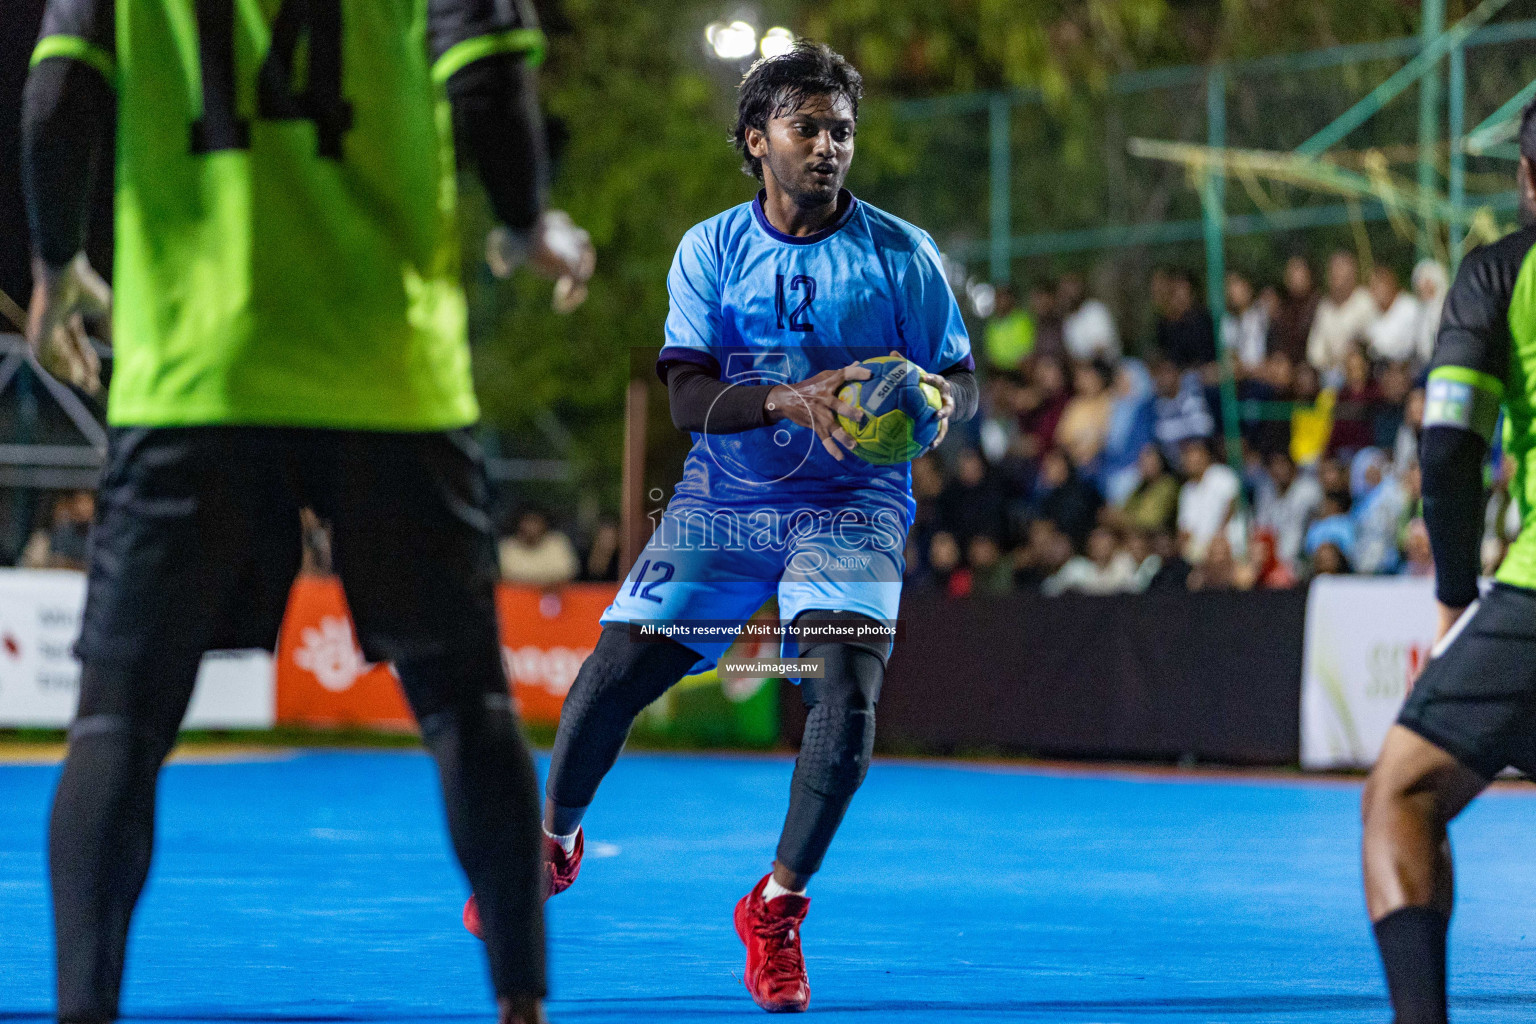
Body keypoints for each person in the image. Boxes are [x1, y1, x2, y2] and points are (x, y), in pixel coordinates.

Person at [21, 0, 597, 1019]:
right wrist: (524, 222)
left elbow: (58, 96)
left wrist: (57, 265)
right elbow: (490, 83)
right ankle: (522, 1003)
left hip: (193, 375)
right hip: (389, 372)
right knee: (467, 705)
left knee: (118, 719)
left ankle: (83, 1009)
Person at [500, 42, 976, 1015]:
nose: (829, 145)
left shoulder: (903, 254)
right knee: (612, 675)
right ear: (758, 139)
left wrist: (934, 397)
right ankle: (551, 843)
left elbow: (959, 378)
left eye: (841, 129)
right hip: (731, 499)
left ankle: (777, 906)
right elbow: (685, 396)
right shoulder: (711, 248)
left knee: (846, 701)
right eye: (808, 127)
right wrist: (786, 403)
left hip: (854, 506)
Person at [1360, 104, 1536, 1024]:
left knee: (1402, 793)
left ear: (1528, 175)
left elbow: (1448, 446)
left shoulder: (1502, 272)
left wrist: (1456, 596)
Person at [1307, 251, 1377, 376]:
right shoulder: (1324, 307)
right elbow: (1315, 352)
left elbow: (1373, 343)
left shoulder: (1365, 300)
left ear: (1352, 274)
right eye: (1333, 271)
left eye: (1341, 270)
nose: (1336, 275)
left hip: (1363, 373)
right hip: (1331, 373)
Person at [1253, 450, 1322, 571]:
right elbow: (1262, 529)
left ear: (1293, 466)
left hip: (1303, 560)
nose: (1279, 470)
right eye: (1274, 465)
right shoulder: (1265, 492)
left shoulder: (1308, 490)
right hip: (1275, 563)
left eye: (1282, 464)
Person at [1176, 437, 1239, 563]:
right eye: (1186, 457)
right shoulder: (1187, 489)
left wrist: (1216, 538)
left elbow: (1233, 505)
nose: (1190, 461)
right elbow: (1185, 528)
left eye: (1193, 456)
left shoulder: (1222, 475)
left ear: (1205, 456)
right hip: (1200, 551)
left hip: (1227, 544)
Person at [498, 509, 579, 586]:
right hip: (515, 596)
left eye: (535, 522)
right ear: (519, 524)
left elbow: (568, 572)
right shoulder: (507, 546)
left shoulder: (557, 542)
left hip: (552, 596)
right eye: (528, 522)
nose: (531, 527)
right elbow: (503, 576)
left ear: (544, 523)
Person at [1154, 269, 1217, 369]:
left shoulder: (1202, 319)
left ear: (1192, 294)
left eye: (1182, 291)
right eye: (1174, 291)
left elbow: (1205, 357)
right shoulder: (1164, 323)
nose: (1178, 296)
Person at [1364, 265, 1422, 365]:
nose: (1375, 291)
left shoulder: (1409, 307)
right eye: (1372, 287)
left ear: (1391, 284)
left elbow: (1409, 347)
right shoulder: (1372, 314)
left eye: (1379, 286)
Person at [1058, 272, 1120, 361]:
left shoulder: (1094, 309)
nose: (1068, 292)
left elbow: (1102, 346)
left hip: (1104, 365)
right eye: (1064, 289)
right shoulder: (1068, 319)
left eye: (1072, 287)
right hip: (1080, 367)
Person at [1271, 255, 1319, 365]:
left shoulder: (1319, 305)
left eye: (1299, 273)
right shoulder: (1283, 310)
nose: (1295, 278)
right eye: (1291, 274)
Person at [1222, 270, 1269, 374]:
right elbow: (1229, 353)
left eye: (1237, 286)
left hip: (1261, 374)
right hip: (1239, 375)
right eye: (1230, 287)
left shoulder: (1262, 313)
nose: (1234, 292)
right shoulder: (1228, 320)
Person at [982, 284, 1034, 372]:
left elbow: (1027, 351)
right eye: (997, 297)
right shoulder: (991, 325)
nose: (1000, 301)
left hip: (1020, 370)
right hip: (999, 372)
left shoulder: (1023, 319)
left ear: (1011, 299)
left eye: (1003, 297)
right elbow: (991, 355)